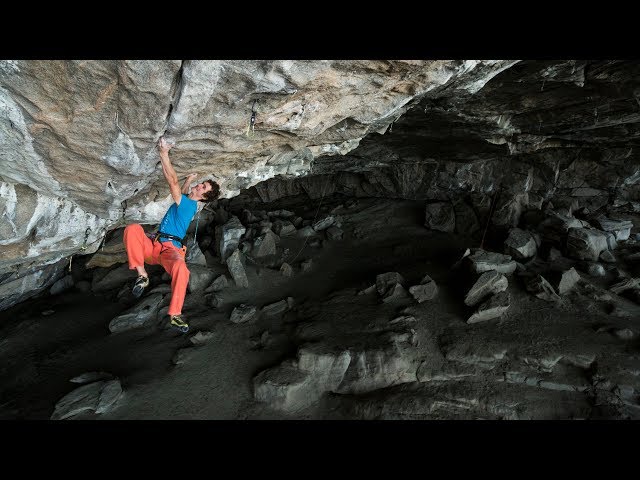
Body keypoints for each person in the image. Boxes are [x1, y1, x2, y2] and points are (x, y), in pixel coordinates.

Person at [123, 137, 220, 332]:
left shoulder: (188, 206)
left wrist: (164, 153)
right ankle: (142, 275)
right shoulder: (187, 201)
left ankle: (175, 313)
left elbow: (172, 181)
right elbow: (182, 193)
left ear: (203, 197)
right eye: (202, 184)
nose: (200, 186)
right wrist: (190, 181)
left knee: (181, 270)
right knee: (132, 229)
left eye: (203, 187)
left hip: (171, 250)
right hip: (154, 247)